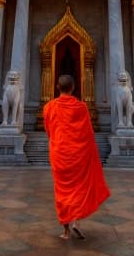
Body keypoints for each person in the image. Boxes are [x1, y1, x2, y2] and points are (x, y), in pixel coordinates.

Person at [43, 74, 110, 240]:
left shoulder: (49, 107)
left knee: (62, 192)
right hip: (78, 155)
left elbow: (49, 130)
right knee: (79, 189)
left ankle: (66, 232)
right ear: (73, 88)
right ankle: (76, 223)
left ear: (57, 87)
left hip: (59, 154)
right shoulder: (81, 107)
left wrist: (57, 143)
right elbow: (88, 133)